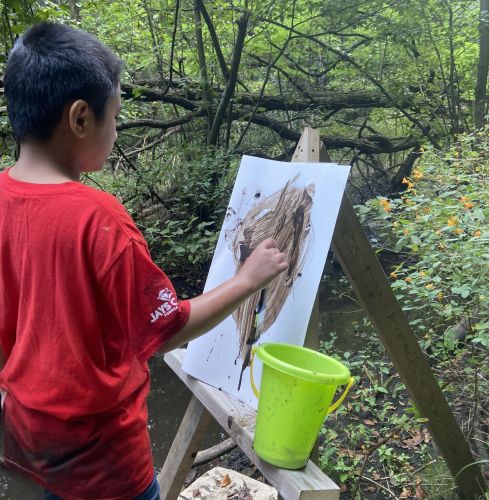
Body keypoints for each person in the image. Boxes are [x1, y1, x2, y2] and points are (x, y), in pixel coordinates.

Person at [0, 22, 288, 500]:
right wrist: (246, 279)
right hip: (105, 465)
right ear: (79, 118)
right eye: (114, 116)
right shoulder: (99, 220)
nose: (116, 129)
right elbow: (166, 328)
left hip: (25, 443)